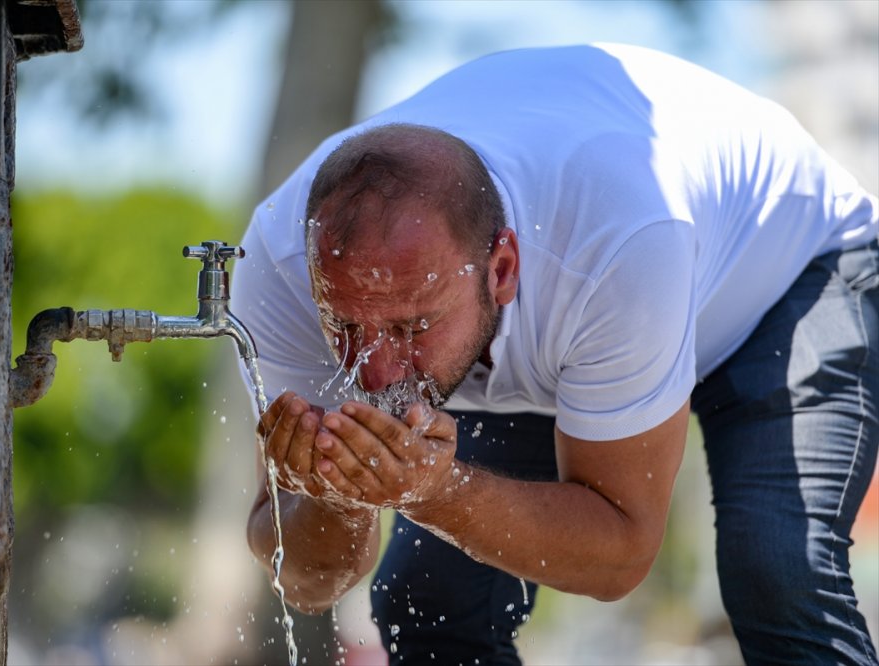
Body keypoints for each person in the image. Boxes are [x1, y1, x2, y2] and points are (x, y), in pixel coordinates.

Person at [233, 44, 878, 665]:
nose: (375, 372)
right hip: (576, 318)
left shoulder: (613, 240)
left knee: (777, 573)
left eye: (411, 326)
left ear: (502, 268)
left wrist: (430, 491)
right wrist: (335, 494)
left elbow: (621, 555)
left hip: (786, 272)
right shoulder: (281, 263)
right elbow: (309, 583)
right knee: (427, 600)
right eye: (344, 326)